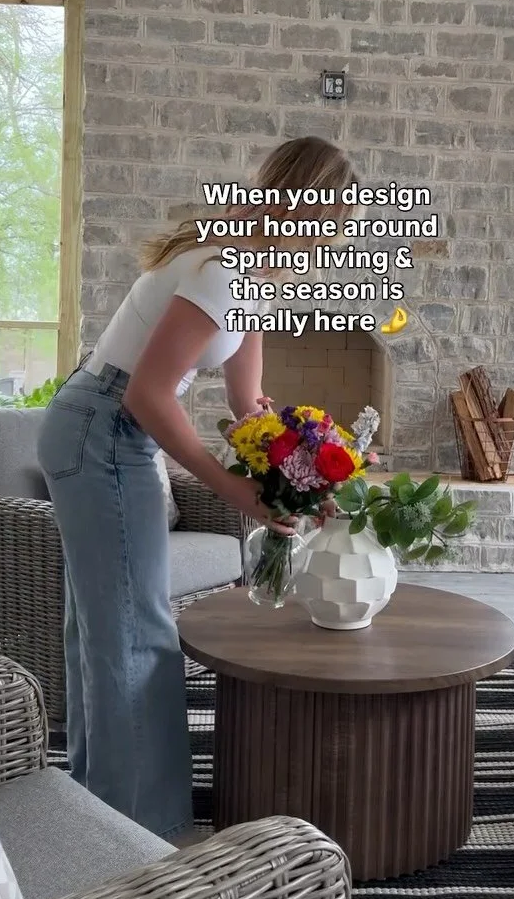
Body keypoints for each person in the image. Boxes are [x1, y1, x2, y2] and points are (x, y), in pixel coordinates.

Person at [36, 136, 360, 843]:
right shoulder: (220, 271)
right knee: (135, 630)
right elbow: (148, 396)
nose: (327, 242)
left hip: (105, 428)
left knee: (105, 627)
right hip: (102, 428)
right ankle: (144, 832)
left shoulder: (249, 277)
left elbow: (250, 405)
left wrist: (303, 475)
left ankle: (99, 809)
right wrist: (235, 491)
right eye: (330, 222)